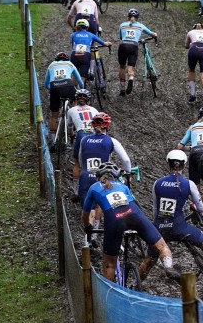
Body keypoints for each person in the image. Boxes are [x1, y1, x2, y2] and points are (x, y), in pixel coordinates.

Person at [82, 161, 174, 282]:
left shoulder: (94, 188)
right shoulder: (123, 186)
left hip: (114, 220)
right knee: (162, 246)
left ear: (98, 177)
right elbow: (134, 202)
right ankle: (169, 268)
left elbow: (86, 212)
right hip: (134, 214)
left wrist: (88, 226)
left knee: (109, 264)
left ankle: (111, 297)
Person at [152, 150, 203, 278]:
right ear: (184, 165)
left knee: (149, 260)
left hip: (160, 228)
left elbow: (156, 210)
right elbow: (200, 208)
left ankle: (134, 285)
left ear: (168, 164)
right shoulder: (188, 184)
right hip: (180, 227)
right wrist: (193, 206)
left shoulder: (157, 183)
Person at [77, 113, 132, 242]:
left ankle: (87, 238)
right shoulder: (111, 141)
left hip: (85, 175)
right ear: (107, 126)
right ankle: (94, 235)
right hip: (101, 177)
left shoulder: (84, 140)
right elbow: (126, 160)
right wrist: (127, 174)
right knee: (98, 205)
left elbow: (80, 159)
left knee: (88, 208)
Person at [44, 52, 84, 138]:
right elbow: (80, 81)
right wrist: (82, 90)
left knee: (54, 115)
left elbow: (46, 84)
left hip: (54, 87)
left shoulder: (51, 65)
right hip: (67, 86)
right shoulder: (70, 64)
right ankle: (72, 121)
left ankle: (53, 139)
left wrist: (50, 89)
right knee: (77, 99)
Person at [117, 8, 156, 96]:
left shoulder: (122, 25)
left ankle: (122, 88)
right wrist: (155, 35)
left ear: (129, 16)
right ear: (137, 17)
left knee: (122, 67)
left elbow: (120, 37)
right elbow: (151, 34)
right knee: (130, 68)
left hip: (123, 45)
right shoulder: (141, 26)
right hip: (133, 46)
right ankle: (131, 78)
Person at [67, 89, 98, 181]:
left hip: (81, 135)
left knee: (77, 163)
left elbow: (70, 127)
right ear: (88, 101)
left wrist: (72, 135)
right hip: (94, 135)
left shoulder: (71, 110)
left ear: (76, 100)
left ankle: (76, 189)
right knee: (95, 161)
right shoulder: (94, 109)